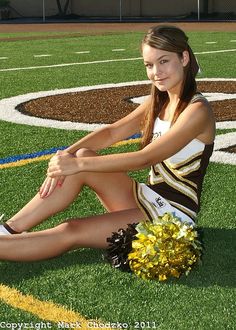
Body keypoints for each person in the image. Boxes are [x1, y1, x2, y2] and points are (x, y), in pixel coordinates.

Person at [0, 25, 215, 261]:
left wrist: (78, 166)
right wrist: (65, 157)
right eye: (149, 65)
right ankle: (8, 229)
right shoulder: (159, 101)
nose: (156, 72)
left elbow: (146, 158)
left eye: (164, 61)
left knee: (72, 229)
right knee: (82, 155)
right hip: (147, 197)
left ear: (184, 57)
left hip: (172, 217)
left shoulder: (197, 110)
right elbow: (112, 132)